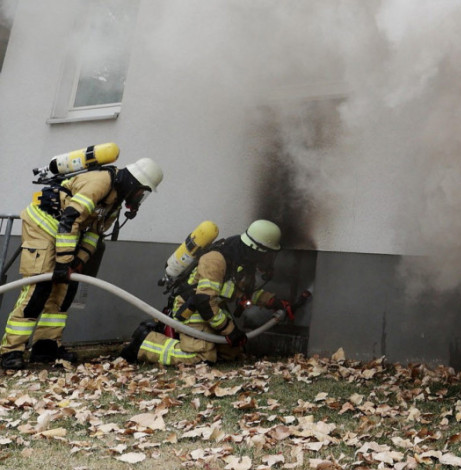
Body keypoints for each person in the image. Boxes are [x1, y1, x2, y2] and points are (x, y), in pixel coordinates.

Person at [0, 157, 164, 370]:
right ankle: (11, 351)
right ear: (134, 182)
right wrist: (63, 262)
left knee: (64, 291)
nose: (140, 197)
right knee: (39, 289)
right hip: (42, 225)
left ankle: (46, 347)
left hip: (65, 232)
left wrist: (78, 261)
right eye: (142, 192)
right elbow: (70, 218)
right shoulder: (101, 182)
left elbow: (94, 234)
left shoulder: (114, 204)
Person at [120, 219, 298, 366]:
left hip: (212, 308)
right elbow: (204, 300)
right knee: (199, 358)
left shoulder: (241, 260)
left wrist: (272, 301)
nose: (268, 259)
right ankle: (145, 343)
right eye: (267, 254)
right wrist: (229, 329)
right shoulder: (216, 259)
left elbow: (243, 292)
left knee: (231, 353)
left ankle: (199, 343)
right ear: (256, 250)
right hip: (193, 308)